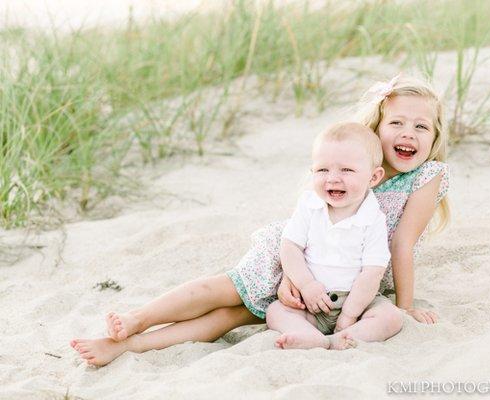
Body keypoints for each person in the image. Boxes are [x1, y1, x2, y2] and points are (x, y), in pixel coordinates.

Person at [70, 74, 449, 366]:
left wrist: (405, 305)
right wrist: (290, 276)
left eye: (421, 127)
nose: (408, 134)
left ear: (434, 137)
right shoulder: (346, 164)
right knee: (217, 292)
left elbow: (400, 244)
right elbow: (301, 234)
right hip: (293, 264)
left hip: (344, 282)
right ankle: (138, 319)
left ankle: (127, 346)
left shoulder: (425, 176)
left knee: (227, 318)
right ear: (377, 128)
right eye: (397, 123)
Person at [266, 122, 402, 350]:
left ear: (374, 177)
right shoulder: (309, 205)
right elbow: (290, 247)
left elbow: (372, 272)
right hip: (311, 302)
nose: (333, 178)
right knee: (276, 311)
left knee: (391, 317)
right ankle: (308, 335)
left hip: (358, 302)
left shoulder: (373, 218)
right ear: (312, 172)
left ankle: (348, 336)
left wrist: (349, 315)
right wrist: (306, 285)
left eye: (346, 170)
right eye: (322, 170)